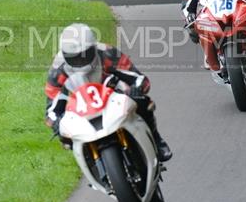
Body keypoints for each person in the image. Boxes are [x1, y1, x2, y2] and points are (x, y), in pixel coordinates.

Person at [44, 23, 172, 162]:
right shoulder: (58, 68)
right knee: (66, 138)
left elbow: (139, 78)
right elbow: (51, 106)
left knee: (142, 101)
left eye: (85, 55)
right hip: (81, 107)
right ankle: (91, 163)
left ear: (93, 47)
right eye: (74, 57)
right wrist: (56, 122)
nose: (81, 60)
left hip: (112, 96)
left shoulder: (107, 52)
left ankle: (157, 140)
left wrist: (136, 88)